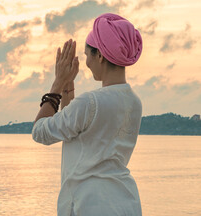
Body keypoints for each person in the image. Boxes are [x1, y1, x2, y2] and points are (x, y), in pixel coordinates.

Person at [32, 13, 143, 216]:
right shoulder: (134, 102)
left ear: (99, 55)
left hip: (89, 205)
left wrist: (57, 83)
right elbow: (77, 132)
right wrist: (68, 92)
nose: (87, 62)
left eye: (87, 55)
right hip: (126, 202)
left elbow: (40, 132)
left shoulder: (90, 102)